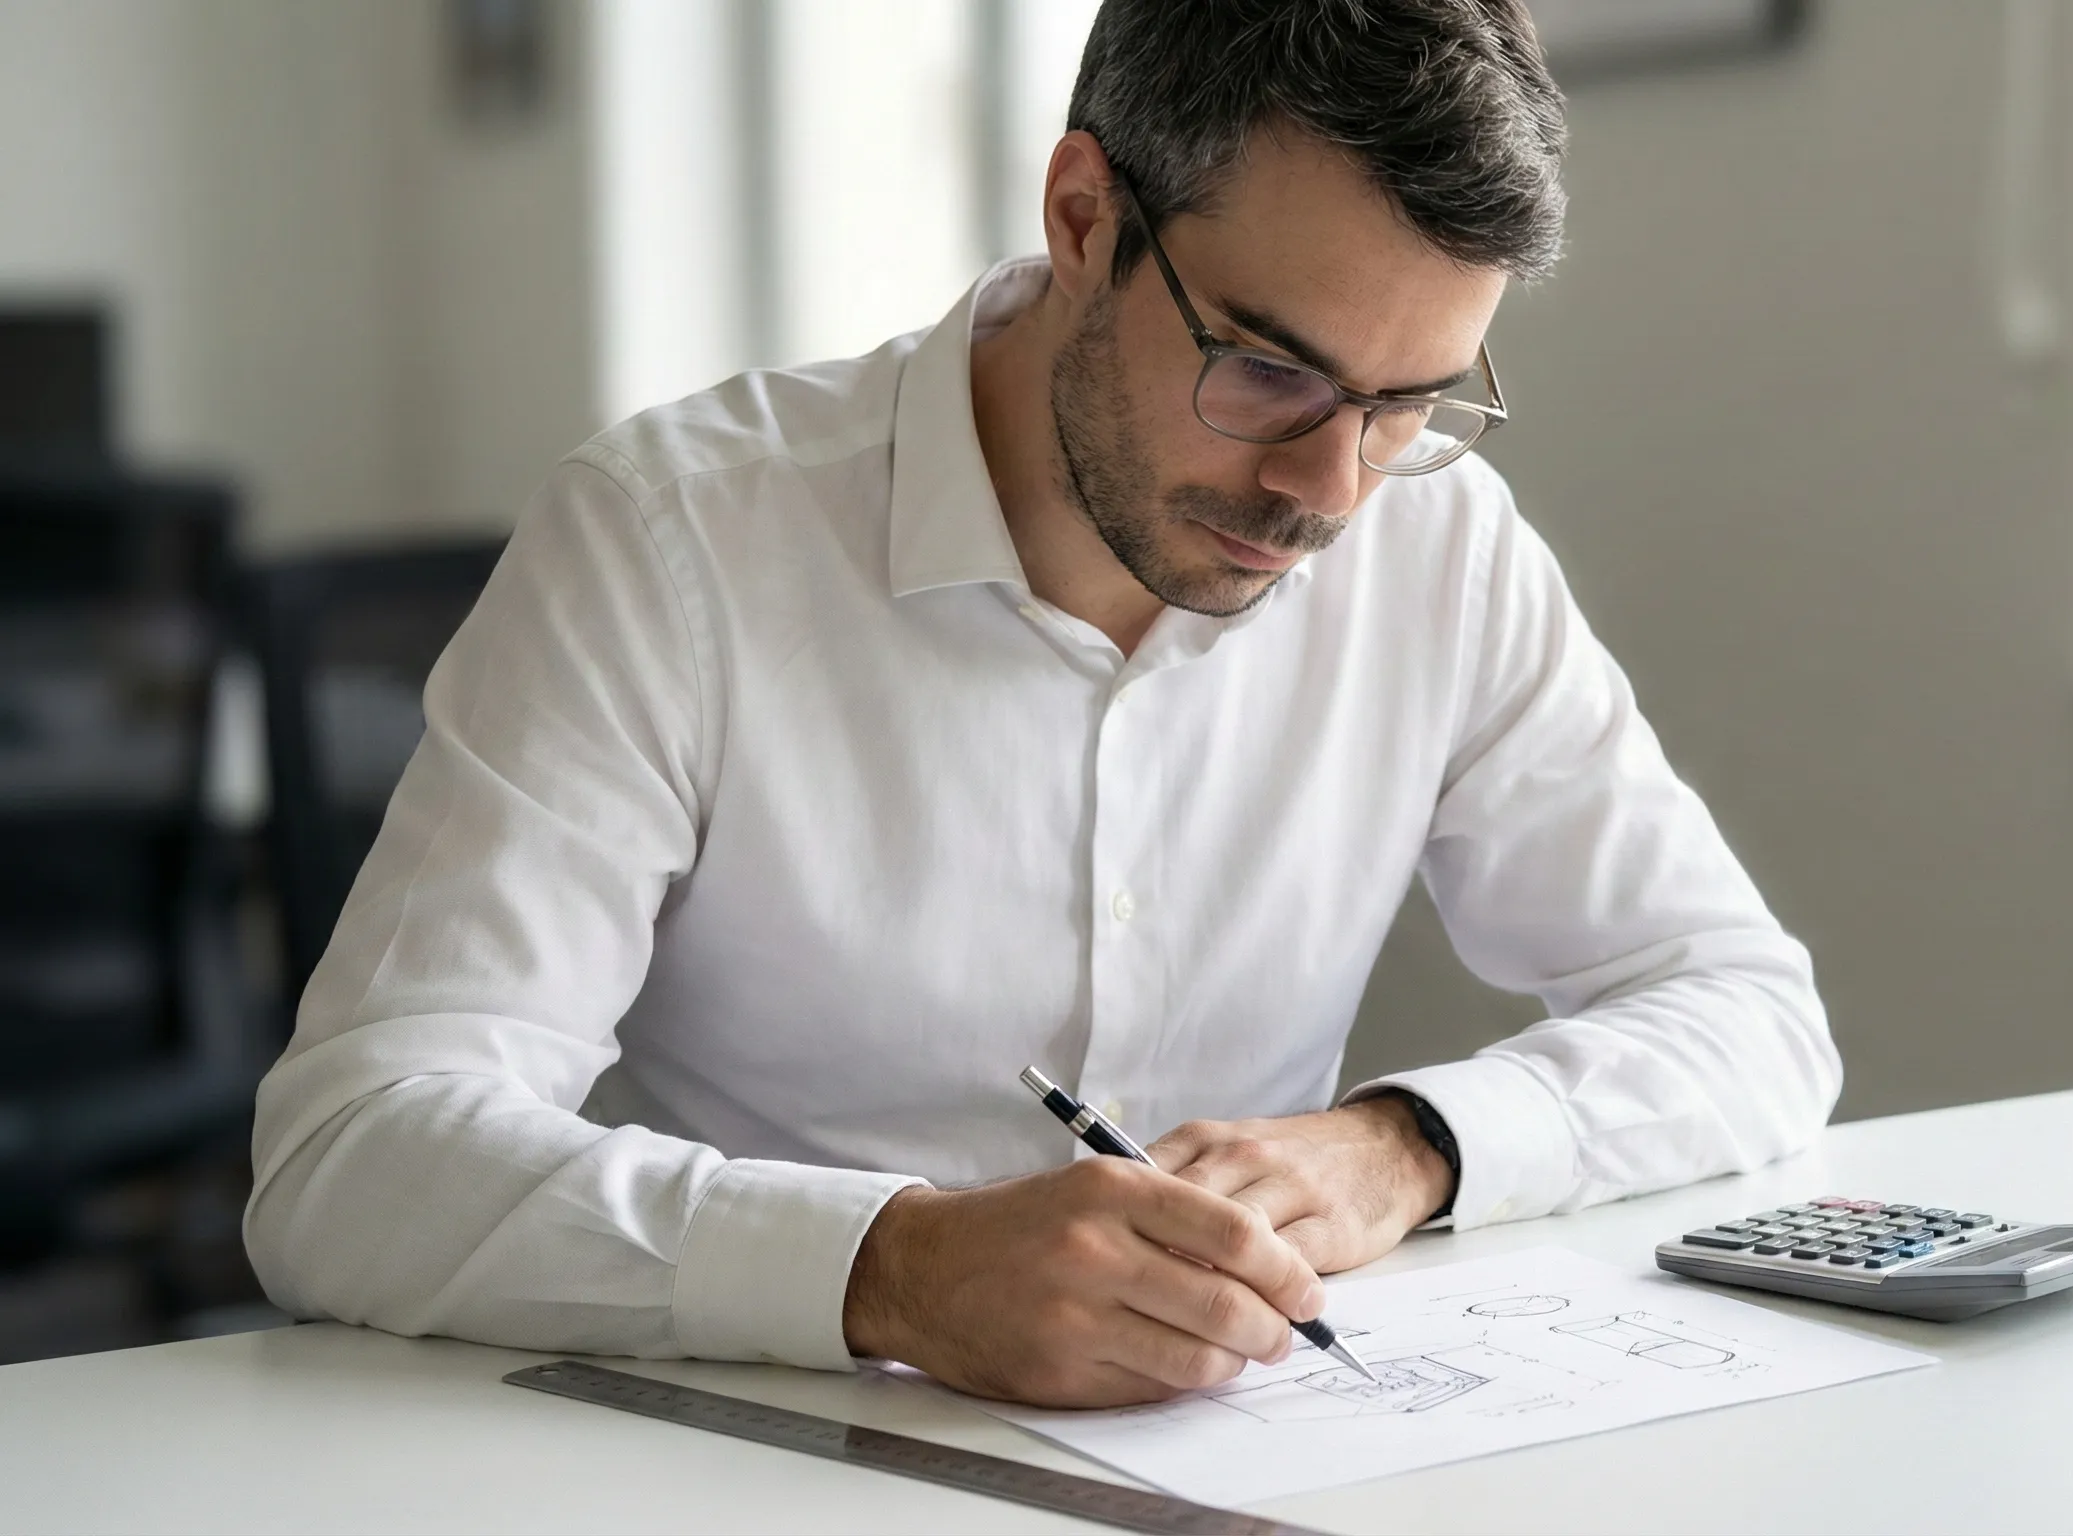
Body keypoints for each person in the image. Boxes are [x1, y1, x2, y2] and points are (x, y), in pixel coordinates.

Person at [244, 0, 1836, 1409]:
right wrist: (897, 1268)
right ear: (1084, 217)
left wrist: (1403, 1148)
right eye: (1270, 374)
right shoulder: (673, 543)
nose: (1329, 493)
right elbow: (351, 1159)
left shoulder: (1441, 547)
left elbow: (1747, 1014)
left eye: (1410, 401)